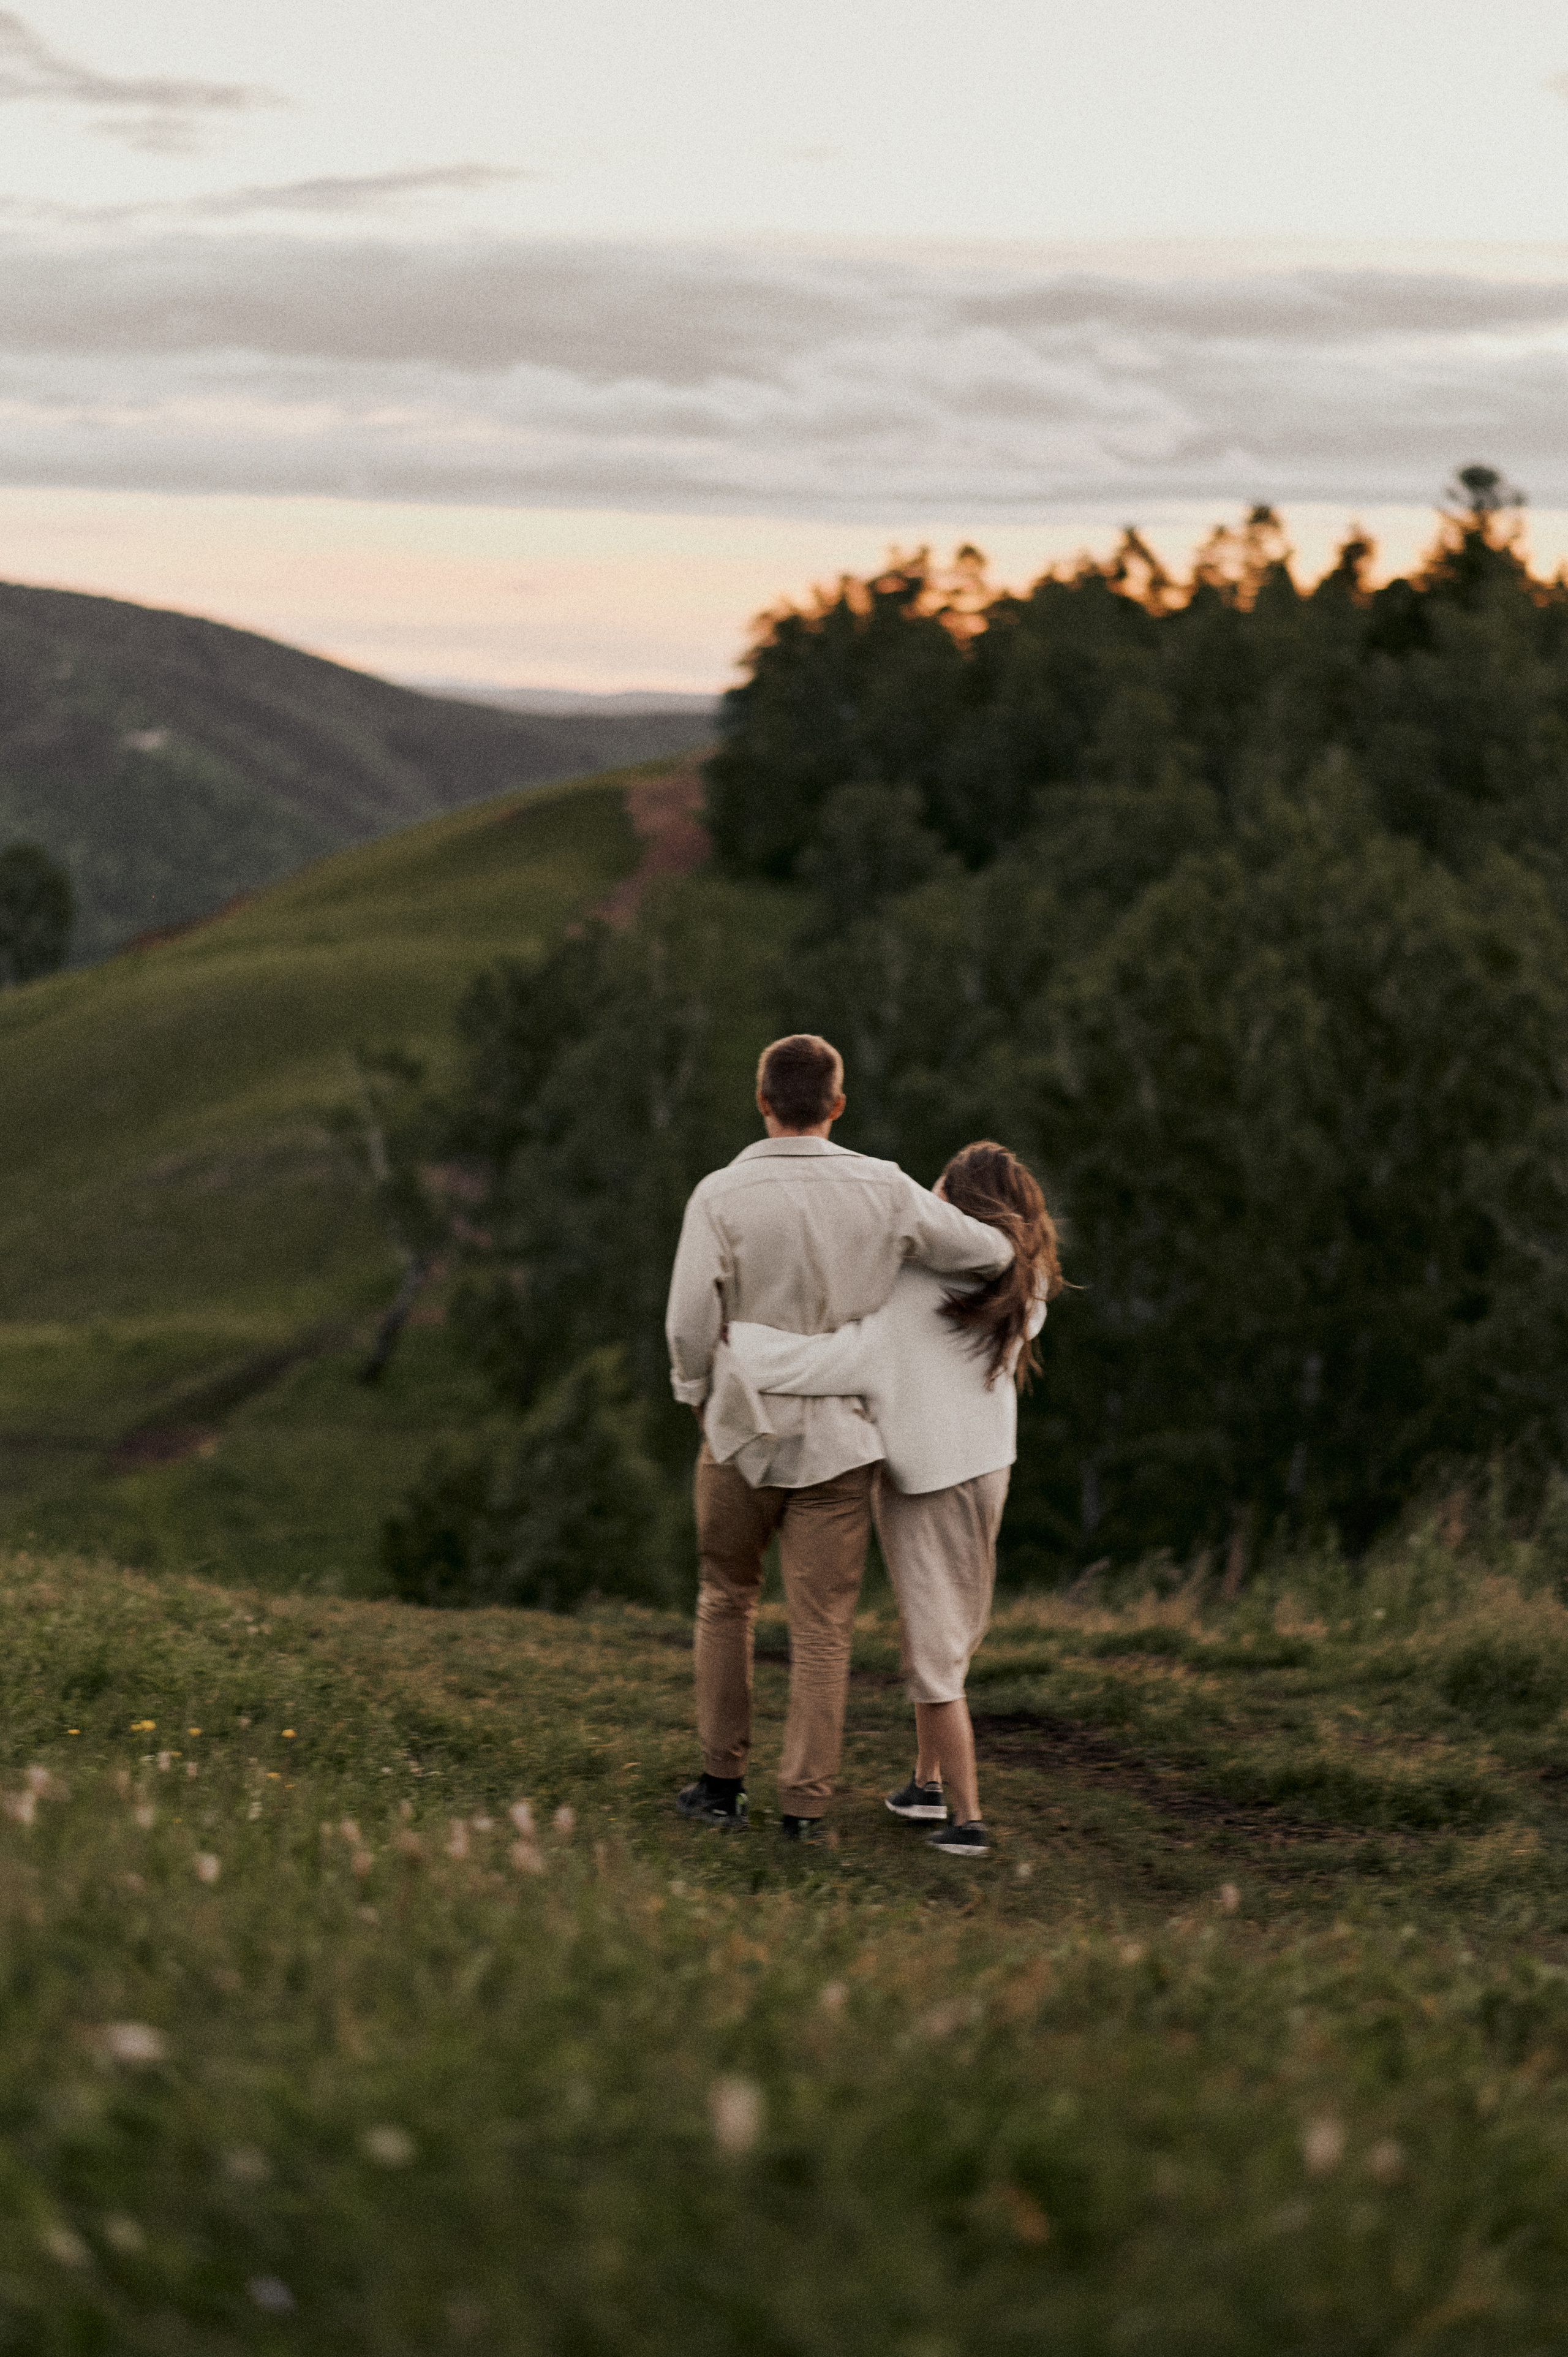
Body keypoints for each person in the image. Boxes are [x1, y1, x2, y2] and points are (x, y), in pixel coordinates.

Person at [665, 1037, 1014, 1842]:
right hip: (842, 1439)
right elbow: (991, 1250)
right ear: (838, 1103)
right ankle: (805, 1808)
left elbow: (689, 1320)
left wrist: (696, 1392)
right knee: (823, 1623)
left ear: (762, 1098)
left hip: (740, 1425)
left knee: (727, 1597)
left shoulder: (718, 1194)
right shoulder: (885, 1187)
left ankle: (721, 1786)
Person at [708, 1142, 1062, 1857]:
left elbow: (829, 1360)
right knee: (943, 1625)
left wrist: (736, 1345)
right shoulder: (1025, 1292)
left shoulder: (908, 1298)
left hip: (921, 1486)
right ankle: (924, 1783)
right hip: (987, 1472)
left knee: (933, 1654)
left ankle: (966, 1819)